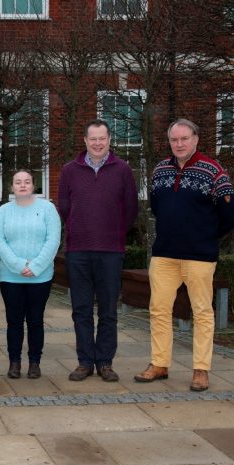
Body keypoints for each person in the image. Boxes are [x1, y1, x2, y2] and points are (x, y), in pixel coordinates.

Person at [134, 118, 234, 391]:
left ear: (195, 139)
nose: (179, 144)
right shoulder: (160, 170)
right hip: (165, 255)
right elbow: (158, 207)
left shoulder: (214, 171)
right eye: (174, 140)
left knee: (202, 312)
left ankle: (201, 370)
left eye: (184, 139)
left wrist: (206, 235)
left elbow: (230, 215)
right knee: (158, 310)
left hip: (200, 256)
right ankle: (159, 363)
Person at [58, 119, 138, 382]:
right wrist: (77, 226)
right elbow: (64, 206)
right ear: (85, 140)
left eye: (102, 138)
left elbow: (130, 210)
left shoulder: (123, 170)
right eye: (92, 139)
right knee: (80, 309)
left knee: (108, 310)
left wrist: (113, 233)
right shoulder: (70, 170)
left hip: (110, 252)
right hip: (78, 251)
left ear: (109, 140)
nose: (97, 143)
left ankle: (104, 361)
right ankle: (84, 362)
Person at [0, 170, 60, 379]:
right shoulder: (4, 211)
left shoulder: (48, 209)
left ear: (34, 185)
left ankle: (34, 363)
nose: (23, 185)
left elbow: (53, 240)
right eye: (18, 182)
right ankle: (14, 362)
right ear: (12, 186)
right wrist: (19, 265)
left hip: (40, 277)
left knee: (35, 320)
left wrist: (37, 265)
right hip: (11, 276)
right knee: (14, 321)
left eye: (27, 182)